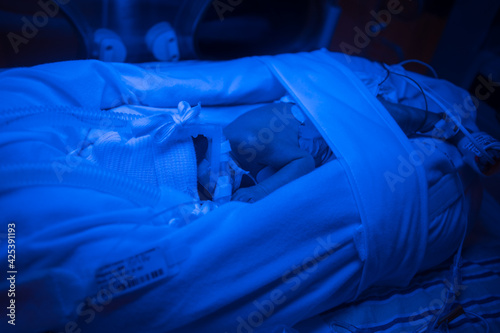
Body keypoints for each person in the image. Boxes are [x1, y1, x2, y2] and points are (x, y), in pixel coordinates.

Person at [223, 97, 444, 203]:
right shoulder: (235, 156)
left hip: (322, 122)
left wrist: (261, 191)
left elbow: (304, 161)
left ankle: (445, 126)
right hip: (314, 143)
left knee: (383, 116)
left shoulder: (246, 142)